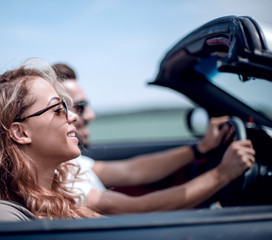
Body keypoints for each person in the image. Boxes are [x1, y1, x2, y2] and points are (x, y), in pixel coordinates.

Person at [52, 63, 256, 215]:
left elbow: (133, 170)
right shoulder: (65, 185)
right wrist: (222, 174)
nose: (90, 115)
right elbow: (142, 208)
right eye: (79, 106)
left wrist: (199, 149)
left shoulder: (68, 164)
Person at [0, 63, 100, 221]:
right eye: (57, 109)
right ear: (20, 133)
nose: (73, 117)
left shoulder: (57, 203)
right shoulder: (3, 218)